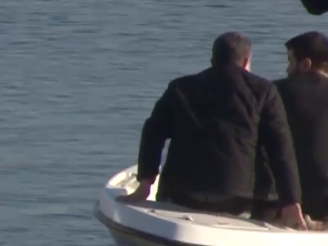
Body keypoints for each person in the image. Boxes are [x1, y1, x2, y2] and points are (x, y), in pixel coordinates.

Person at [119, 32, 306, 229]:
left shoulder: (181, 88)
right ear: (247, 60)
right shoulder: (264, 91)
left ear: (213, 59)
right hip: (236, 198)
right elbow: (281, 149)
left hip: (181, 194)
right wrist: (291, 202)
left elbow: (152, 133)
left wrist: (145, 183)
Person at [275, 31, 328, 222]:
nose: (287, 70)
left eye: (290, 62)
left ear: (305, 64)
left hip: (294, 198)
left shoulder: (276, 91)